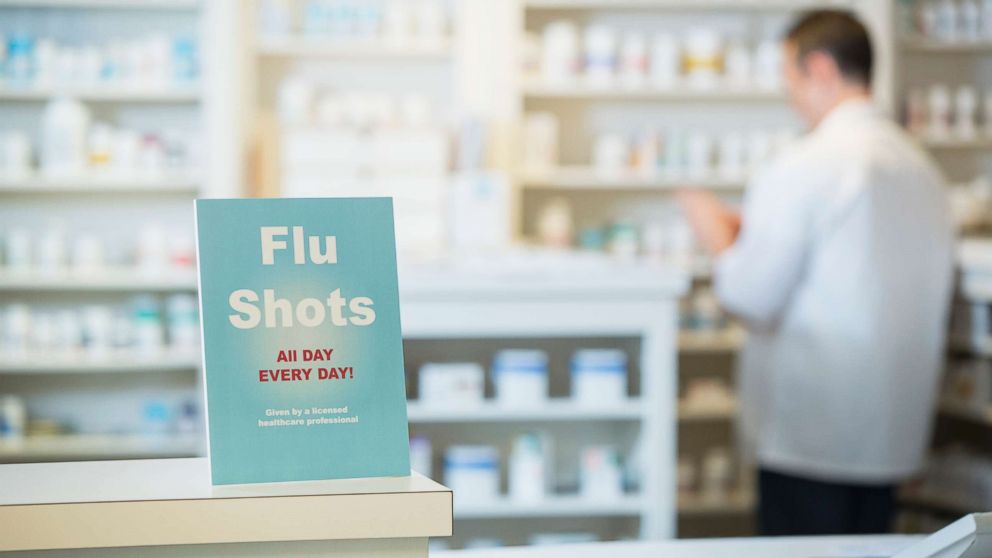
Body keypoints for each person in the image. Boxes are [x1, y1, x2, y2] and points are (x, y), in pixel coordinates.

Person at [678, 10, 954, 536]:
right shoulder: (919, 166)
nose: (790, 94)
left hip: (810, 440)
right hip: (890, 437)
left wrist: (716, 233)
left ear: (820, 69)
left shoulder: (807, 164)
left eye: (789, 77)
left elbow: (750, 296)